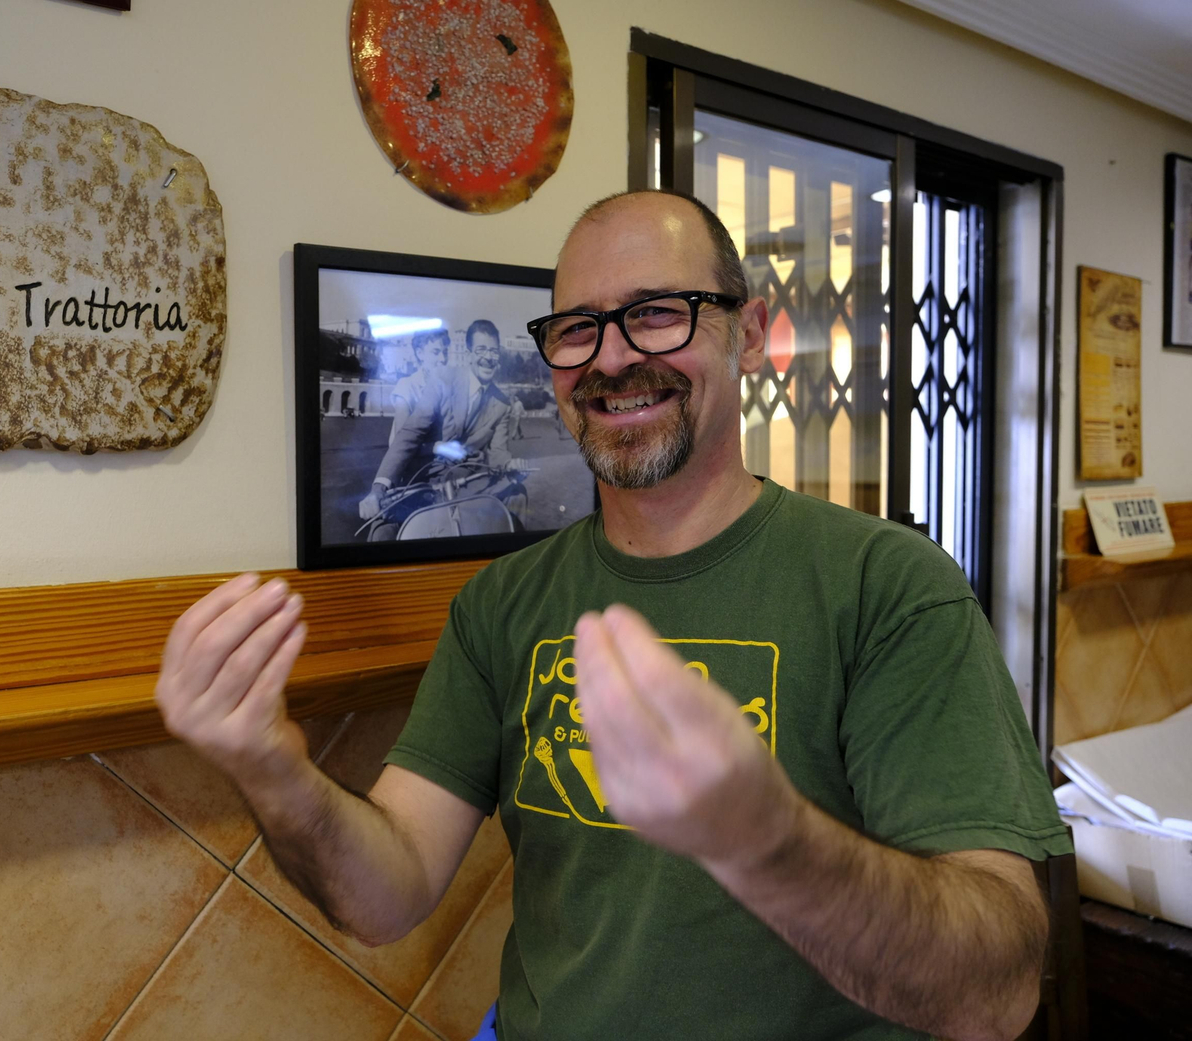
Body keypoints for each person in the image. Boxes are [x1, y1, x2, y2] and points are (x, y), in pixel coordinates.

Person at [154, 191, 1067, 1041]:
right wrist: (272, 769)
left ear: (748, 334)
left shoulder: (888, 587)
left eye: (658, 312)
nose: (614, 357)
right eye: (577, 328)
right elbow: (385, 894)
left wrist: (766, 839)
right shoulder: (503, 605)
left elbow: (996, 993)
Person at [356, 319, 523, 537]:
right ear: (470, 353)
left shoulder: (503, 403)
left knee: (517, 500)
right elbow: (410, 433)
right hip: (424, 482)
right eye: (481, 349)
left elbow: (499, 452)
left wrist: (511, 463)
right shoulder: (443, 379)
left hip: (468, 487)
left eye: (493, 351)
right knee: (383, 533)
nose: (488, 358)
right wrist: (378, 489)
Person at [388, 328, 450, 442]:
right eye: (436, 352)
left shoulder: (449, 389)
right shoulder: (407, 387)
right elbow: (401, 443)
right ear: (420, 353)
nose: (443, 359)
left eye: (445, 352)